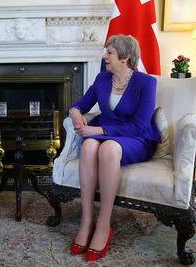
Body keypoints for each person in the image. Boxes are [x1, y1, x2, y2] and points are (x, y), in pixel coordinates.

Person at [68, 35, 161, 261]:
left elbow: (139, 125)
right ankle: (86, 221)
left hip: (135, 137)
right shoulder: (102, 78)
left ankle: (103, 225)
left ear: (125, 58)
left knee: (107, 148)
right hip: (106, 132)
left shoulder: (146, 83)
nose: (104, 57)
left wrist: (98, 131)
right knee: (88, 146)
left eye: (109, 53)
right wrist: (75, 113)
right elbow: (80, 104)